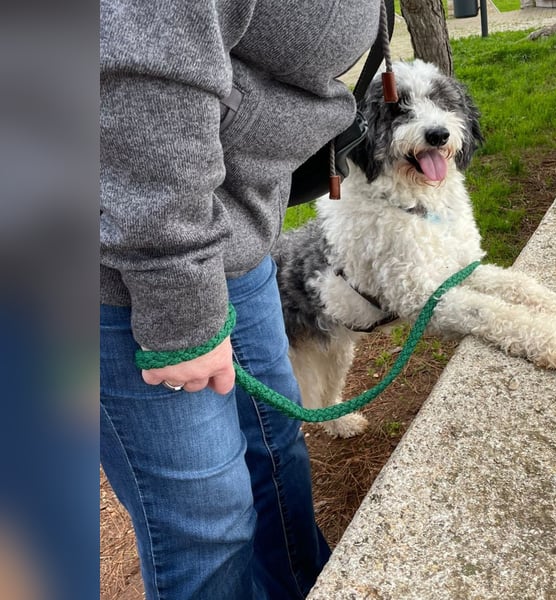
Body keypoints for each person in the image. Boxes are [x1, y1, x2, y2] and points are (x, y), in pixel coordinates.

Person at [100, 1, 381, 598]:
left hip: (232, 231)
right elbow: (138, 88)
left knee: (276, 452)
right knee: (208, 526)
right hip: (125, 263)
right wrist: (180, 309)